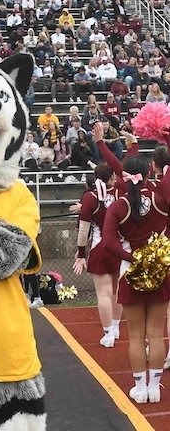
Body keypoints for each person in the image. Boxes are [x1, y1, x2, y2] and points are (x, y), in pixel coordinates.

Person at [102, 156, 170, 404]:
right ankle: (155, 388)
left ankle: (140, 389)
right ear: (149, 172)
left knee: (135, 335)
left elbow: (109, 244)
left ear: (123, 177)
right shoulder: (160, 200)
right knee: (155, 333)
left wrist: (133, 258)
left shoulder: (118, 207)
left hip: (130, 272)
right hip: (160, 270)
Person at [73, 161, 124, 347]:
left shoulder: (90, 197)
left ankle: (109, 333)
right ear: (112, 177)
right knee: (117, 291)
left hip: (100, 246)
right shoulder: (121, 192)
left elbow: (83, 230)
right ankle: (116, 328)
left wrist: (80, 254)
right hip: (120, 246)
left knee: (103, 293)